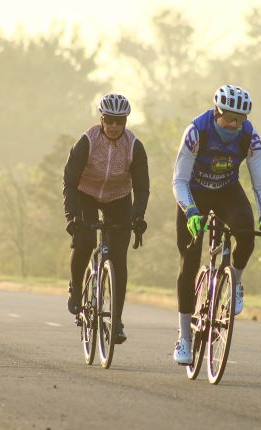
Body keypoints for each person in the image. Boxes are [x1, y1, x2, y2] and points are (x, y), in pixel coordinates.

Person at [171, 84, 261, 364]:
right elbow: (179, 181)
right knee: (190, 261)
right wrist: (191, 212)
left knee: (246, 234)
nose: (232, 124)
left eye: (238, 120)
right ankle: (184, 339)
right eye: (227, 117)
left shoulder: (249, 137)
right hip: (194, 192)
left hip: (227, 191)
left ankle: (236, 283)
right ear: (216, 111)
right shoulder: (197, 131)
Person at [63, 93, 149, 345]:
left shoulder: (134, 146)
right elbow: (69, 180)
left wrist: (138, 216)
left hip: (118, 197)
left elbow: (142, 187)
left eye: (119, 121)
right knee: (86, 239)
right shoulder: (87, 141)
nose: (113, 126)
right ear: (101, 119)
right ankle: (76, 288)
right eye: (109, 120)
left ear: (125, 122)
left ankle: (117, 322)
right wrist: (71, 215)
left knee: (118, 257)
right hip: (85, 195)